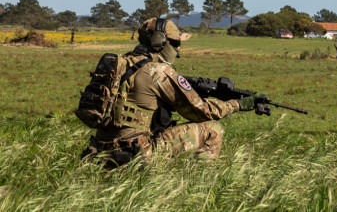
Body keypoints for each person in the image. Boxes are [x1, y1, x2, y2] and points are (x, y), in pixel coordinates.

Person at [80, 17, 262, 167]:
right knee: (212, 130)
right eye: (175, 42)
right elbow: (201, 111)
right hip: (135, 154)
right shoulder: (158, 72)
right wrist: (238, 104)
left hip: (99, 151)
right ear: (159, 42)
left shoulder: (121, 64)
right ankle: (199, 187)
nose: (178, 49)